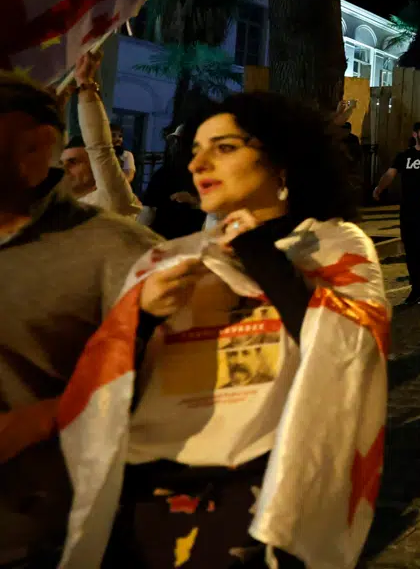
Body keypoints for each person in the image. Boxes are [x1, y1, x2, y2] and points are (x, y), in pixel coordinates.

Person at [57, 92, 388, 567]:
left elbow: (348, 349)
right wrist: (143, 316)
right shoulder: (166, 259)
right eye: (194, 150)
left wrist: (254, 249)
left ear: (282, 160)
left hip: (264, 494)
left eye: (225, 147)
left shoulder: (335, 247)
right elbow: (103, 389)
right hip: (149, 496)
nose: (199, 164)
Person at [0, 72, 161, 566]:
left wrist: (47, 417)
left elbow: (186, 391)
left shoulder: (114, 248)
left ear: (34, 149)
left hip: (53, 538)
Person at [373, 120, 420, 305]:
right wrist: (379, 189)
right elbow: (390, 174)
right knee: (412, 252)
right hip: (408, 211)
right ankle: (416, 289)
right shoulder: (404, 156)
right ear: (415, 134)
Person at [58, 52, 141, 217]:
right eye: (62, 163)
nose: (64, 169)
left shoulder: (109, 200)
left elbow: (100, 149)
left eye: (74, 162)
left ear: (97, 168)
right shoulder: (53, 208)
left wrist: (85, 84)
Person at [138, 126, 208, 239]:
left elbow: (148, 212)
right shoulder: (166, 173)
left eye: (178, 142)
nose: (174, 146)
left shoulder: (167, 172)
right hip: (184, 241)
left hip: (174, 241)